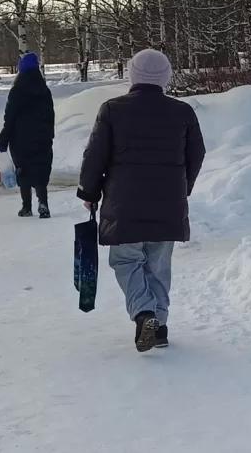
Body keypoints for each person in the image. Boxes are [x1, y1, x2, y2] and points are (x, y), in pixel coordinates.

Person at [77, 49, 205, 352]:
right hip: (168, 202)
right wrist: (182, 188)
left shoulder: (112, 110)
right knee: (158, 265)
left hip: (124, 205)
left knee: (126, 260)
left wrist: (89, 193)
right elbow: (196, 154)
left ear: (132, 76)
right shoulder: (182, 112)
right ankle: (158, 327)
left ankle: (143, 313)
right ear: (165, 78)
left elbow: (95, 155)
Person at [0, 52, 55, 219]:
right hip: (43, 138)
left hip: (21, 139)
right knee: (41, 170)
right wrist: (49, 135)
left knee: (23, 171)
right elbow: (50, 115)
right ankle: (43, 204)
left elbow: (10, 118)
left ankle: (26, 207)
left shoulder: (17, 91)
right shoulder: (44, 90)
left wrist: (3, 141)